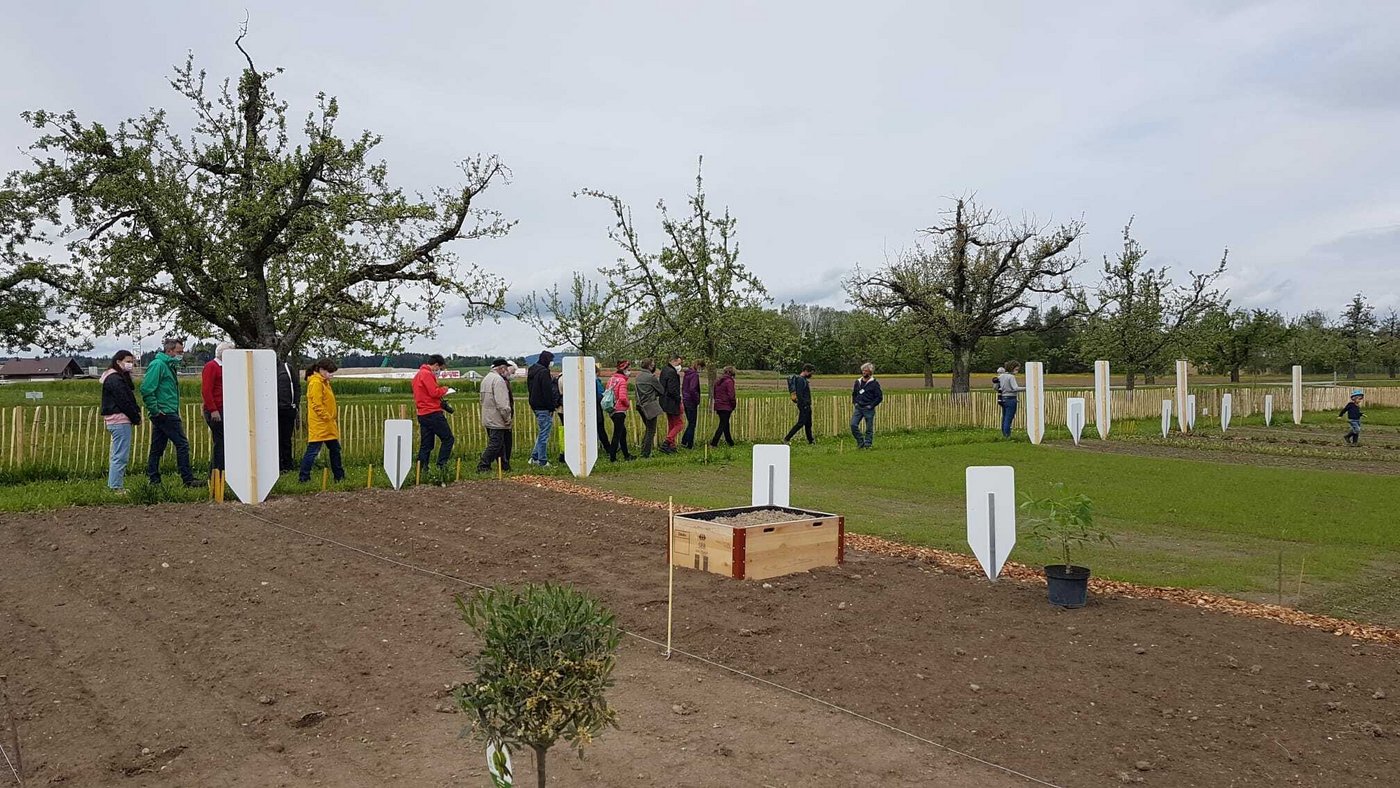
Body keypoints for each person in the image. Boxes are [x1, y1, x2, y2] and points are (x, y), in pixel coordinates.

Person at [142, 336, 200, 487]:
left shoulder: (168, 366)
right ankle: (187, 479)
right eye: (179, 351)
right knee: (182, 444)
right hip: (165, 412)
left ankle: (154, 479)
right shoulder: (158, 365)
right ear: (169, 351)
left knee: (157, 448)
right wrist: (155, 409)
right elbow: (147, 389)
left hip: (166, 410)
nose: (181, 354)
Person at [100, 350, 142, 493]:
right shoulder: (115, 379)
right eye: (128, 361)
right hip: (119, 419)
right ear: (118, 362)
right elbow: (124, 400)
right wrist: (135, 417)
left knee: (117, 453)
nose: (131, 364)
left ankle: (114, 484)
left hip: (115, 420)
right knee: (120, 455)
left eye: (132, 362)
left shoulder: (112, 377)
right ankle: (116, 486)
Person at [298, 360, 345, 482]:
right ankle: (304, 477)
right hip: (320, 424)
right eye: (329, 372)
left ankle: (339, 476)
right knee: (313, 451)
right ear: (322, 370)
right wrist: (327, 417)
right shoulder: (316, 383)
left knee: (335, 449)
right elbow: (317, 404)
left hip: (327, 424)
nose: (331, 375)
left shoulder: (324, 382)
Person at [413, 353, 458, 480]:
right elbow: (434, 392)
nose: (439, 372)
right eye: (440, 369)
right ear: (436, 365)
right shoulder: (427, 374)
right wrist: (445, 389)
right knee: (448, 439)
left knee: (426, 444)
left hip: (422, 413)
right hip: (432, 412)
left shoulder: (418, 375)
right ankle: (441, 465)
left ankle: (422, 469)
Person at [201, 341, 234, 475]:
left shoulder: (226, 367)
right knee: (220, 443)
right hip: (217, 409)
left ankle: (220, 471)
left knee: (224, 442)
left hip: (225, 407)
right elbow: (206, 390)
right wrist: (213, 410)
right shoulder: (212, 367)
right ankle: (216, 473)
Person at [477, 359, 515, 472]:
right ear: (502, 368)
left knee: (500, 445)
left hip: (488, 416)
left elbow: (481, 399)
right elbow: (502, 403)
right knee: (496, 444)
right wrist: (507, 418)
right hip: (497, 418)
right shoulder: (499, 381)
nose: (507, 371)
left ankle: (504, 465)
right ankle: (483, 464)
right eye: (506, 368)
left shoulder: (486, 379)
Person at [527, 350, 559, 467]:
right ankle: (542, 460)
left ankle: (534, 457)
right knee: (544, 435)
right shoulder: (544, 372)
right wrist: (551, 407)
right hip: (544, 407)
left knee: (542, 432)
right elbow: (547, 391)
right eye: (550, 360)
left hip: (535, 405)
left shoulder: (532, 371)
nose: (551, 363)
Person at [850, 362, 883, 449]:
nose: (864, 372)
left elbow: (879, 397)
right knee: (853, 425)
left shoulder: (874, 383)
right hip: (859, 407)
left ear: (870, 372)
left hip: (868, 409)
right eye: (863, 370)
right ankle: (860, 442)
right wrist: (855, 402)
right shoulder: (858, 382)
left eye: (866, 371)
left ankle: (868, 445)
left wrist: (871, 406)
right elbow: (854, 394)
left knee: (869, 428)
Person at [634, 359, 664, 458]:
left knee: (648, 428)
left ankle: (643, 449)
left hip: (640, 405)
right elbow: (661, 390)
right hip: (650, 405)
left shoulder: (638, 377)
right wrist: (654, 393)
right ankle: (646, 453)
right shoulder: (651, 377)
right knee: (651, 430)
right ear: (650, 366)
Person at [276, 358, 300, 473]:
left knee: (286, 439)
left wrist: (295, 404)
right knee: (274, 439)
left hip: (287, 409)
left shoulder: (287, 368)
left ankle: (287, 465)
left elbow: (296, 387)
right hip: (270, 411)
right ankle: (277, 465)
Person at [606, 360, 633, 462]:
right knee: (617, 434)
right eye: (629, 370)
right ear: (624, 369)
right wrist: (628, 404)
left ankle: (626, 454)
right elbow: (622, 397)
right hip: (619, 410)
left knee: (622, 432)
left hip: (612, 410)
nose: (630, 372)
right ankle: (613, 456)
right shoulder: (622, 381)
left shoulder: (611, 379)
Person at [784, 364, 816, 444]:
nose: (811, 375)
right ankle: (787, 438)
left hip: (807, 405)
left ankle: (811, 440)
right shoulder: (800, 380)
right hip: (804, 405)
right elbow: (799, 394)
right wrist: (804, 404)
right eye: (810, 372)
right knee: (801, 423)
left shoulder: (804, 380)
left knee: (808, 424)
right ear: (805, 371)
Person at [659, 354, 684, 453]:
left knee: (672, 424)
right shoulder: (672, 372)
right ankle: (667, 442)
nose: (679, 365)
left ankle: (671, 446)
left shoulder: (664, 370)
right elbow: (672, 389)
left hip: (665, 401)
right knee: (679, 424)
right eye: (679, 363)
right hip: (672, 402)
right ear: (674, 361)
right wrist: (678, 399)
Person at [709, 366, 737, 447]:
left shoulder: (718, 381)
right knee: (722, 424)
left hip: (719, 405)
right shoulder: (729, 381)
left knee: (725, 424)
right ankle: (714, 443)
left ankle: (730, 442)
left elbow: (714, 393)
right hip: (726, 405)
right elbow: (731, 395)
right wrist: (733, 404)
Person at [681, 360, 703, 449]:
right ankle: (689, 444)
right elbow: (693, 389)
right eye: (701, 367)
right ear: (698, 366)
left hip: (686, 400)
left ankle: (684, 441)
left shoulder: (687, 374)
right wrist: (697, 399)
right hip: (691, 401)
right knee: (692, 423)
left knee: (690, 422)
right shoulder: (694, 375)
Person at [997, 362, 1021, 438]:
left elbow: (995, 387)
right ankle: (1007, 436)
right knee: (1009, 418)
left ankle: (1004, 434)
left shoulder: (1001, 376)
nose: (1017, 371)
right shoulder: (1011, 377)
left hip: (1003, 398)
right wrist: (1028, 388)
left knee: (1004, 417)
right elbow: (1015, 388)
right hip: (1011, 399)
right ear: (1012, 368)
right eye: (1016, 369)